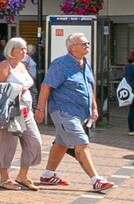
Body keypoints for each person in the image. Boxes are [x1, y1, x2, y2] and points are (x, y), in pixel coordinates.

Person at [38, 33, 113, 192]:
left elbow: (89, 86)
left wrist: (94, 107)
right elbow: (46, 86)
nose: (87, 46)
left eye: (88, 44)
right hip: (64, 111)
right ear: (72, 47)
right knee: (82, 143)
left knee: (61, 143)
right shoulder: (60, 64)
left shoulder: (85, 63)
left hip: (80, 113)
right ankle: (96, 179)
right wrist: (40, 109)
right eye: (84, 44)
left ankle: (48, 174)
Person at [0, 37, 41, 190]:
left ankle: (22, 175)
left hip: (26, 111)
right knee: (8, 144)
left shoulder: (22, 65)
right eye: (21, 48)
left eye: (25, 48)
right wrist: (17, 89)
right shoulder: (4, 66)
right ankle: (4, 178)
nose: (24, 51)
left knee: (35, 142)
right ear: (11, 50)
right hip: (11, 111)